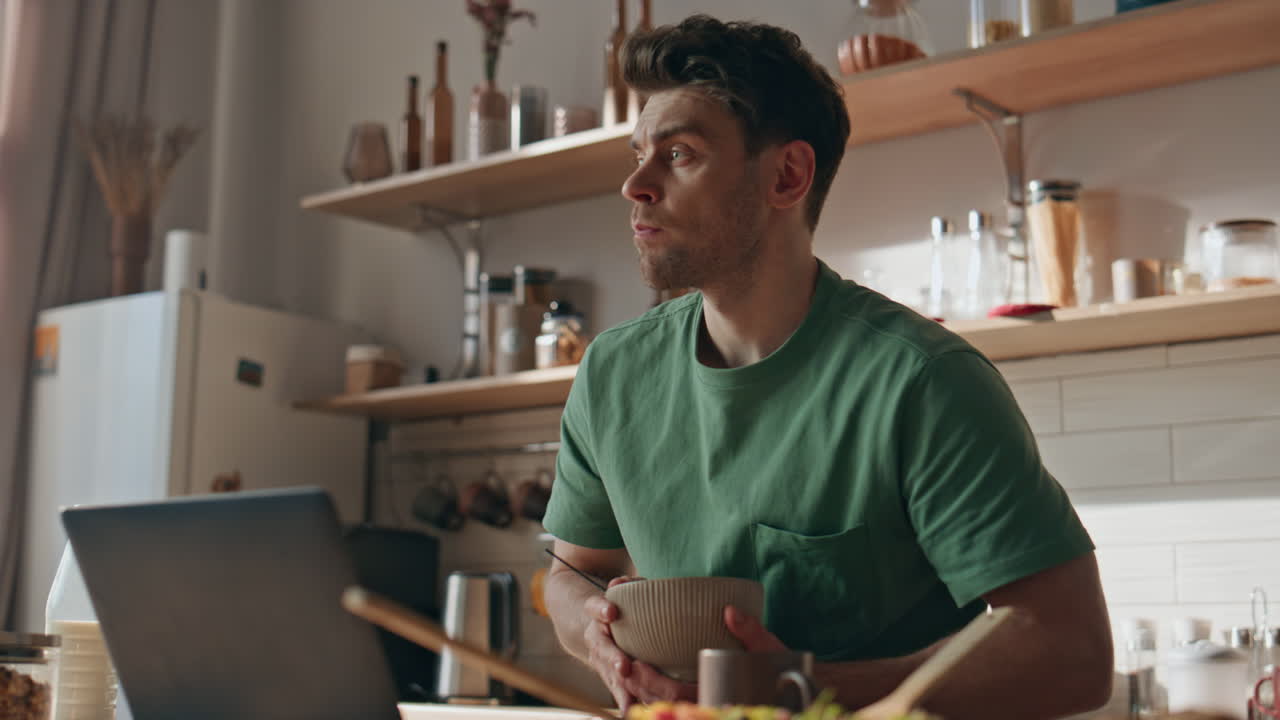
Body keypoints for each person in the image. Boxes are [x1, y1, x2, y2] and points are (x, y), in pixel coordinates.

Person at [541, 14, 1112, 719]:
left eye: (679, 153)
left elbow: (1073, 653)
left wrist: (802, 686)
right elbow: (574, 574)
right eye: (638, 154)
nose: (636, 184)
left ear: (787, 175)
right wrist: (594, 635)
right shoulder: (612, 373)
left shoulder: (922, 381)